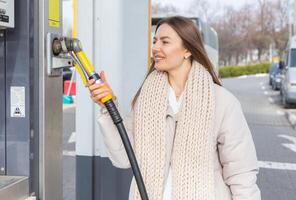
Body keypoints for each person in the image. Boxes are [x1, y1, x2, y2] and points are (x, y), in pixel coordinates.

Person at [87, 16, 261, 200]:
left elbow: (241, 174)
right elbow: (123, 157)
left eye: (165, 42)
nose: (155, 48)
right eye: (154, 41)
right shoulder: (146, 99)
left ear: (187, 50)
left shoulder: (222, 101)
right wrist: (108, 106)